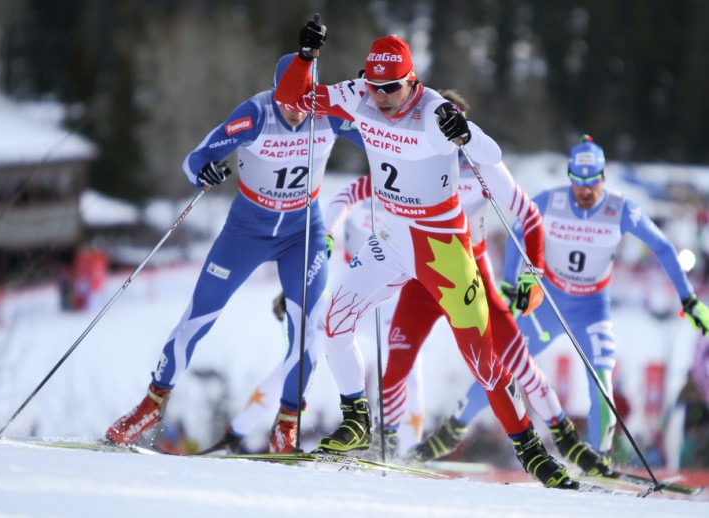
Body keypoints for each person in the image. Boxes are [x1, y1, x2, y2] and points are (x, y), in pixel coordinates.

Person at [275, 20, 577, 488]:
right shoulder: (360, 93)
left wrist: (465, 134)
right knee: (332, 321)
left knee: (482, 358)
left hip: (442, 249)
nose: (380, 97)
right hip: (390, 240)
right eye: (374, 86)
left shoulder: (434, 110)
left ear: (411, 81)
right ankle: (357, 419)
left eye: (391, 88)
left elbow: (492, 154)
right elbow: (294, 100)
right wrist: (306, 58)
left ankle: (531, 449)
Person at [104, 53, 364, 454]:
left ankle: (287, 424)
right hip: (247, 230)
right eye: (287, 103)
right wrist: (204, 171)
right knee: (198, 315)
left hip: (303, 233)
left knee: (308, 328)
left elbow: (385, 137)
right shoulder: (256, 114)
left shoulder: (329, 113)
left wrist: (369, 103)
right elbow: (195, 159)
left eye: (303, 104)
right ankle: (151, 404)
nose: (295, 113)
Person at [428, 134, 709, 465]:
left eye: (593, 183)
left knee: (601, 376)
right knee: (503, 364)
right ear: (571, 177)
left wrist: (688, 300)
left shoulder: (621, 210)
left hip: (592, 308)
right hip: (548, 302)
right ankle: (449, 432)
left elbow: (662, 248)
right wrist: (509, 284)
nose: (586, 191)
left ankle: (599, 457)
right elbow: (517, 231)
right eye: (579, 182)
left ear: (603, 178)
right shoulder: (551, 200)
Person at [203, 176, 426, 455]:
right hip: (353, 296)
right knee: (299, 357)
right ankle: (236, 436)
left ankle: (408, 453)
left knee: (410, 373)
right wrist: (327, 237)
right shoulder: (361, 188)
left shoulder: (414, 189)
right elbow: (337, 206)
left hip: (392, 301)